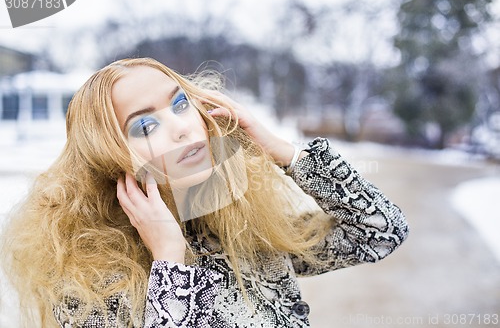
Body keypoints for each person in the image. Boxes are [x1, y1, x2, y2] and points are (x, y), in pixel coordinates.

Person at [0, 57, 409, 327]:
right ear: (110, 162)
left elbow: (379, 232)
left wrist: (285, 154)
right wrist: (169, 263)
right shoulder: (88, 284)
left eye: (180, 104)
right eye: (146, 126)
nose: (182, 126)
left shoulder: (237, 226)